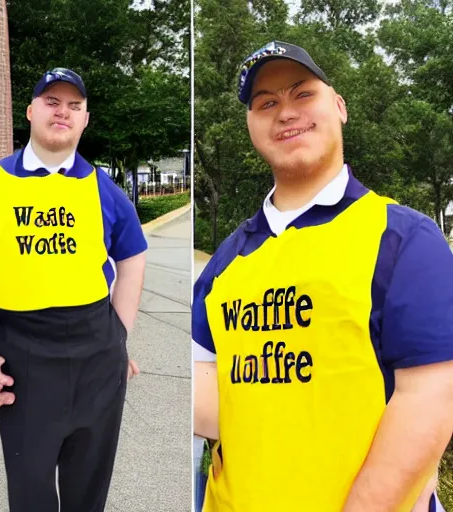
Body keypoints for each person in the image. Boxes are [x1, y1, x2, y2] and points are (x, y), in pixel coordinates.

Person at [192, 41, 453, 512]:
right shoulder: (222, 264)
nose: (285, 112)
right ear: (252, 125)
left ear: (339, 106)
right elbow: (210, 400)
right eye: (266, 102)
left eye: (302, 94)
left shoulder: (403, 239)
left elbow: (430, 398)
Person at [0, 68, 147, 512]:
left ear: (85, 119)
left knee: (88, 488)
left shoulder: (102, 189)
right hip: (22, 351)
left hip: (96, 350)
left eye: (74, 105)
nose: (63, 112)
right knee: (30, 490)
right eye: (52, 102)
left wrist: (119, 334)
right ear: (31, 111)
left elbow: (133, 257)